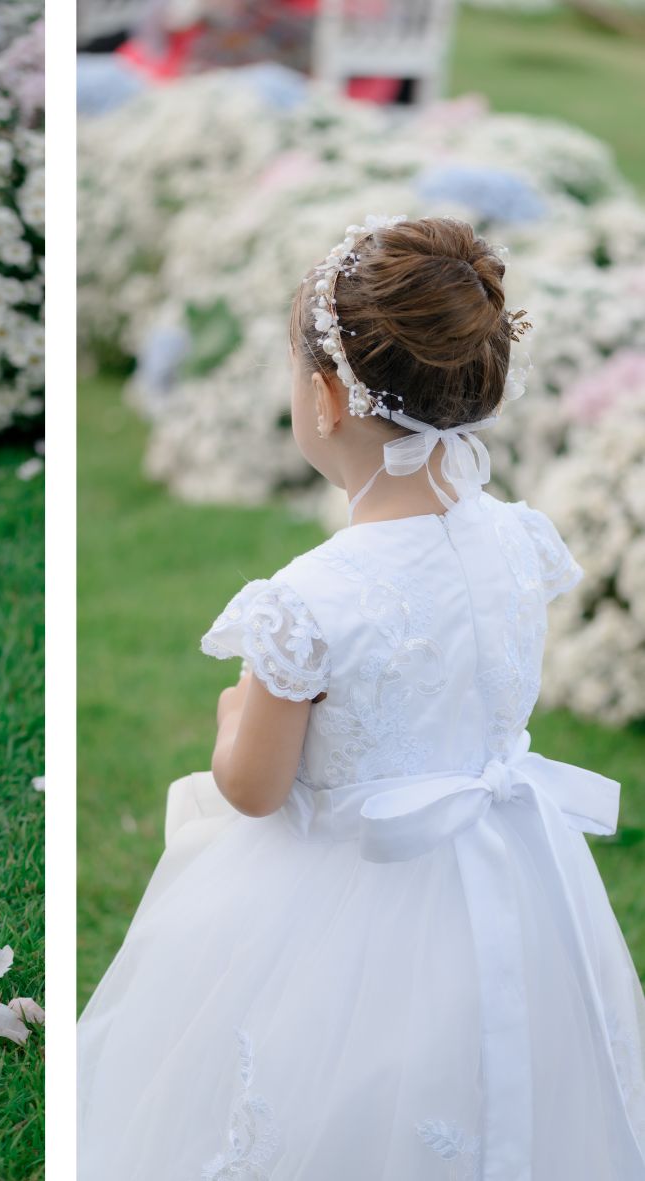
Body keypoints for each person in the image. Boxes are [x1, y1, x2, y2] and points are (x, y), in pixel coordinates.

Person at [77, 218, 645, 1176]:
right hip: (509, 880)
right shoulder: (519, 542)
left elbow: (254, 787)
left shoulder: (309, 599)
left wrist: (230, 719)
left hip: (344, 902)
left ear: (326, 395)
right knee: (495, 1081)